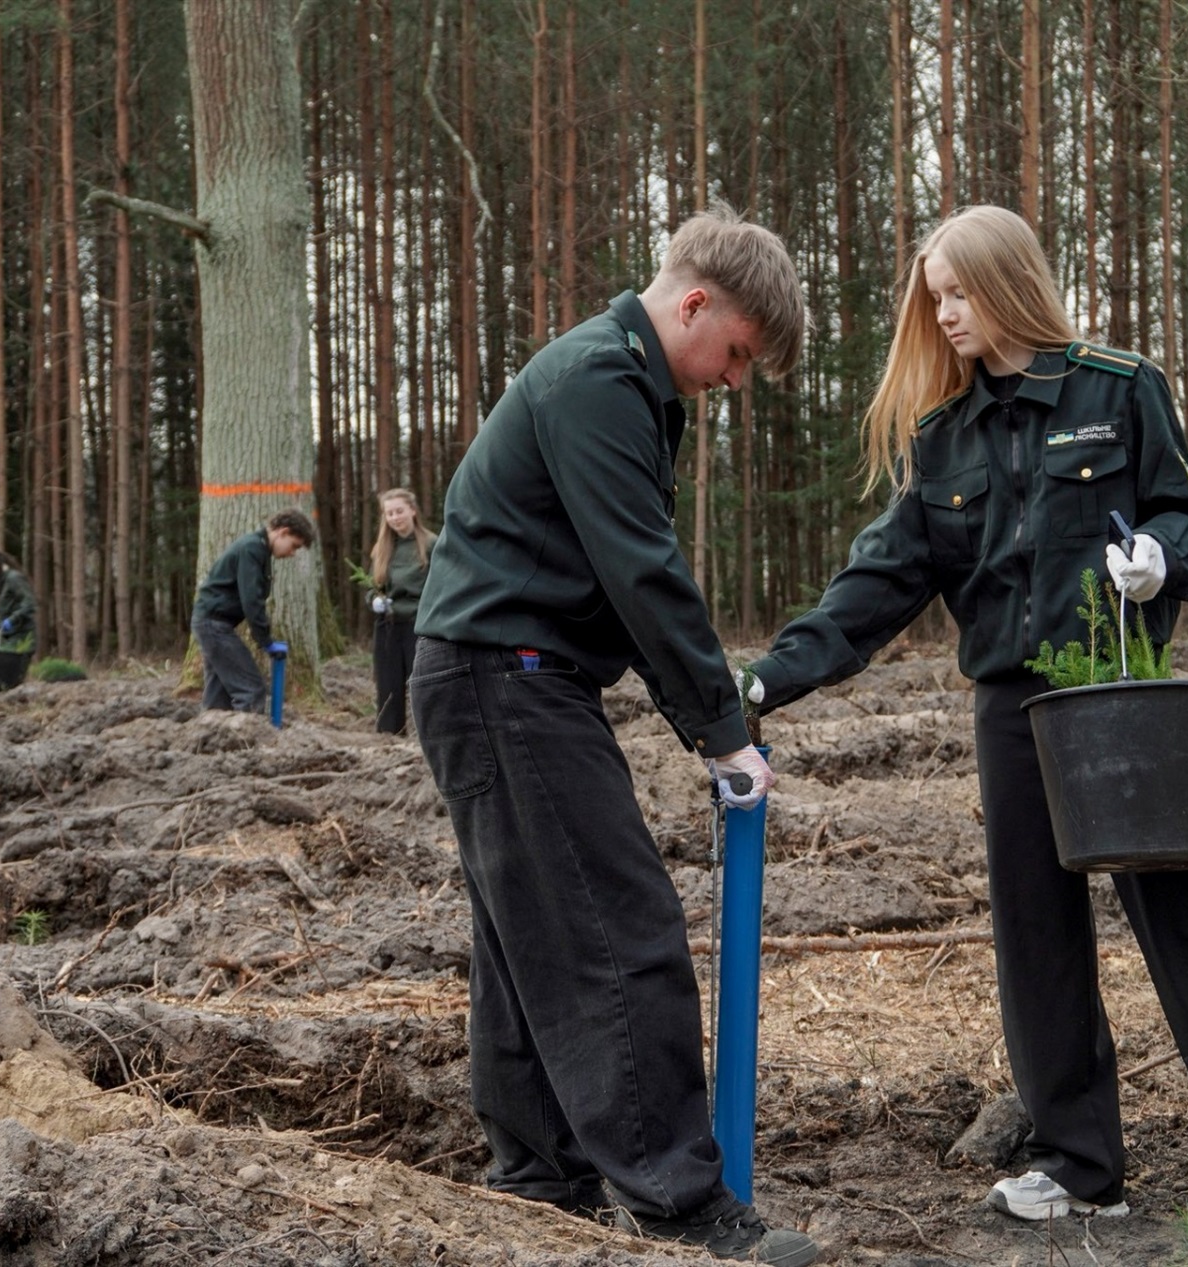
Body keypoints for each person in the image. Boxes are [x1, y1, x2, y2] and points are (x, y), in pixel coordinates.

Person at [741, 207, 1188, 1253]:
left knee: (1180, 918)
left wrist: (1158, 557)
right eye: (934, 297)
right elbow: (875, 586)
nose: (944, 314)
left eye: (958, 293)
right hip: (1011, 709)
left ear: (1007, 283)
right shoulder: (943, 435)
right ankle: (1080, 1163)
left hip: (1118, 694)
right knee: (1034, 932)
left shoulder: (1118, 389)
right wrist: (765, 678)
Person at [410, 205, 816, 1267]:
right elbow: (642, 571)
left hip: (495, 676)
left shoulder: (618, 380)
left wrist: (705, 710)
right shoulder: (599, 380)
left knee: (530, 938)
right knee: (615, 927)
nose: (733, 382)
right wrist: (721, 733)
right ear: (694, 304)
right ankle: (681, 1201)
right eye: (736, 354)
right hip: (506, 678)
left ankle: (541, 1178)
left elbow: (618, 572)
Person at [192, 508, 316, 713]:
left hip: (211, 623)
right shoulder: (252, 549)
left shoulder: (258, 549)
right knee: (251, 689)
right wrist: (265, 640)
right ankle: (248, 733)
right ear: (283, 532)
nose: (292, 553)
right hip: (213, 625)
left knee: (219, 694)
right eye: (294, 546)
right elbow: (251, 600)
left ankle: (213, 730)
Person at [367, 488, 435, 734]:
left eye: (399, 511)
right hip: (388, 624)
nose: (395, 518)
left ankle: (429, 735)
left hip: (420, 624)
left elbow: (442, 583)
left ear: (412, 511)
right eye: (389, 513)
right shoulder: (382, 549)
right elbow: (374, 586)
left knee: (423, 682)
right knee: (388, 684)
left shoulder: (431, 544)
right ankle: (389, 737)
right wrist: (374, 600)